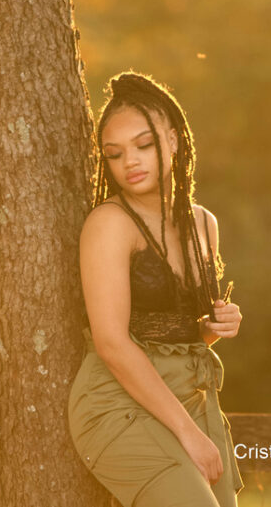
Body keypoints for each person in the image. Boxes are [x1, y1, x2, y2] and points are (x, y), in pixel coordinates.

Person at [68, 71, 245, 507]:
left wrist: (218, 325)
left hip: (190, 397)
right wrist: (189, 434)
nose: (131, 161)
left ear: (173, 139)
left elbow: (183, 336)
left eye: (144, 145)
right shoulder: (109, 224)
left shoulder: (203, 224)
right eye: (115, 153)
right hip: (116, 405)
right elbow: (112, 343)